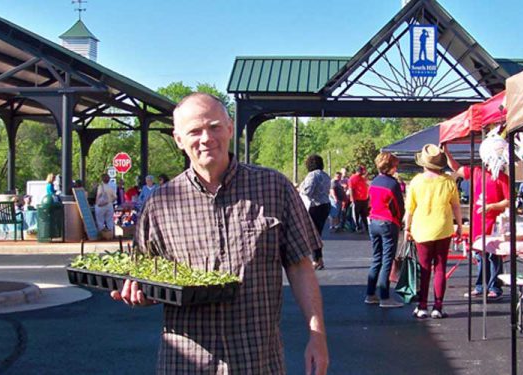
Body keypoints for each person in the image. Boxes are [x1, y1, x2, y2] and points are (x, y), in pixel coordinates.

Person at [110, 93, 328, 374]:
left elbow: (300, 266)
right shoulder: (159, 204)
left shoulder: (274, 188)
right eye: (195, 131)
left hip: (257, 361)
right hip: (186, 363)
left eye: (214, 127)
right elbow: (147, 279)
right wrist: (139, 294)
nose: (206, 138)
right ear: (178, 139)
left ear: (229, 128)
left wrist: (317, 336)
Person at [404, 144, 462, 319]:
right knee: (440, 268)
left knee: (424, 268)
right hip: (443, 228)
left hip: (421, 229)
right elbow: (456, 207)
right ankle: (438, 306)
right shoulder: (448, 181)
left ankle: (422, 306)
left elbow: (410, 210)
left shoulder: (416, 182)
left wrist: (407, 228)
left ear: (424, 163)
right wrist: (459, 225)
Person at [445, 147, 510, 300]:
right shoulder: (476, 173)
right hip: (477, 222)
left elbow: (508, 200)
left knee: (493, 256)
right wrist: (447, 152)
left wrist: (492, 206)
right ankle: (481, 285)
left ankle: (494, 287)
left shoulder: (502, 178)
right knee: (480, 255)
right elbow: (456, 167)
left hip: (494, 223)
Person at [365, 152, 405, 308]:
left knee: (376, 259)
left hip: (373, 221)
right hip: (387, 222)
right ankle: (385, 297)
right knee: (387, 260)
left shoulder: (374, 181)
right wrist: (399, 221)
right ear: (391, 167)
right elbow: (398, 207)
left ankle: (370, 294)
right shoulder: (393, 184)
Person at [299, 154, 332, 270]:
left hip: (315, 206)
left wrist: (299, 188)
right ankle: (319, 259)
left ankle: (316, 260)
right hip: (325, 204)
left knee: (312, 234)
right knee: (318, 233)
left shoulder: (312, 175)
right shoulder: (326, 175)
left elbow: (307, 191)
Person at [348, 166, 370, 233]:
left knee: (364, 214)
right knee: (356, 214)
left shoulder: (362, 178)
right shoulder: (352, 178)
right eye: (363, 171)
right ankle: (356, 227)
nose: (364, 172)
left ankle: (366, 227)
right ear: (359, 171)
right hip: (357, 199)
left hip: (364, 199)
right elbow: (351, 189)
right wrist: (352, 199)